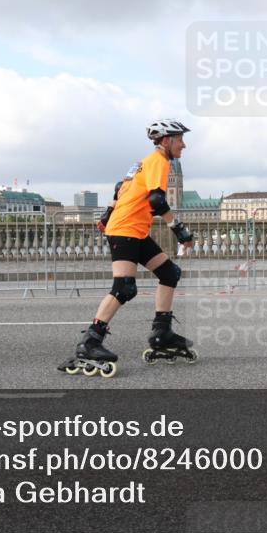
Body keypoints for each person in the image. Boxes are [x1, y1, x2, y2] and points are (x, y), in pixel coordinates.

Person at [59, 119, 198, 378]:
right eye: (180, 139)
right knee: (124, 287)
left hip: (132, 229)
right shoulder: (159, 161)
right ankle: (90, 342)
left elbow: (120, 188)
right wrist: (179, 230)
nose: (184, 145)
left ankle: (162, 333)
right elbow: (157, 200)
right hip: (126, 229)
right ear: (166, 141)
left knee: (170, 274)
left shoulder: (141, 163)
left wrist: (106, 215)